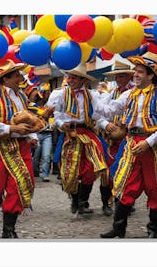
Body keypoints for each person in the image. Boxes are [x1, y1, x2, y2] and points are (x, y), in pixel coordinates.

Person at [97, 52, 157, 238]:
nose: (135, 75)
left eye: (139, 72)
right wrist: (91, 102)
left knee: (155, 187)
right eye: (135, 71)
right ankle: (118, 228)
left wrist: (148, 142)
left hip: (153, 146)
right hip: (131, 144)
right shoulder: (129, 94)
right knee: (125, 183)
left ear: (150, 75)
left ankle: (154, 231)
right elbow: (109, 109)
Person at [0, 60, 39, 238]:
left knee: (20, 185)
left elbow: (29, 120)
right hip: (0, 146)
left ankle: (9, 229)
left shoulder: (21, 97)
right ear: (5, 79)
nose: (21, 78)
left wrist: (33, 137)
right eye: (17, 75)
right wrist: (10, 129)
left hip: (21, 147)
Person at [47, 62, 109, 215]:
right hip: (71, 135)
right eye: (70, 76)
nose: (70, 79)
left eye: (75, 77)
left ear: (83, 80)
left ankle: (83, 200)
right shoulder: (61, 94)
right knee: (70, 171)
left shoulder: (92, 95)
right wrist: (62, 123)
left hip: (88, 133)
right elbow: (57, 114)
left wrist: (106, 124)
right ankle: (75, 200)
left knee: (92, 168)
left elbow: (99, 114)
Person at [97, 61, 136, 216]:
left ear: (128, 77)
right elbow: (98, 115)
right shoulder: (110, 95)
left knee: (129, 171)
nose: (119, 79)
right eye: (117, 76)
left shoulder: (135, 94)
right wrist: (106, 124)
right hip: (111, 140)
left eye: (121, 76)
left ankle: (124, 201)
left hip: (130, 138)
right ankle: (106, 202)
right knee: (107, 172)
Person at [31, 83, 54, 182]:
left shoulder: (52, 104)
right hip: (37, 133)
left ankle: (45, 174)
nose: (48, 94)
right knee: (35, 156)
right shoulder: (34, 105)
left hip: (48, 134)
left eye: (49, 92)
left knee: (46, 155)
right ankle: (35, 172)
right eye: (46, 93)